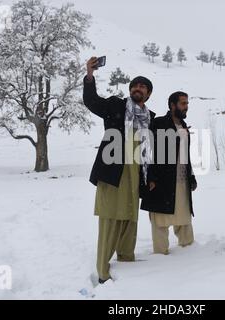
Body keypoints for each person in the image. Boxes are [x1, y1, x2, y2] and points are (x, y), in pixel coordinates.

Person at [83, 57, 155, 283]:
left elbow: (152, 148)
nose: (137, 88)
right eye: (134, 85)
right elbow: (92, 101)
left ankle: (126, 261)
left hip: (136, 175)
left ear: (148, 94)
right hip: (113, 172)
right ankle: (103, 272)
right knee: (110, 219)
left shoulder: (150, 117)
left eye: (142, 87)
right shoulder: (116, 105)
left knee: (129, 219)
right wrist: (90, 75)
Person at [141, 91, 197, 255]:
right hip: (161, 178)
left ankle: (189, 249)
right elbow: (145, 149)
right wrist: (150, 176)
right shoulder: (158, 123)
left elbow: (185, 153)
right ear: (172, 105)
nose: (186, 107)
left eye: (187, 103)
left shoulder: (184, 125)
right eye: (183, 103)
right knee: (160, 219)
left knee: (184, 214)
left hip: (181, 178)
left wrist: (191, 175)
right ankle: (160, 253)